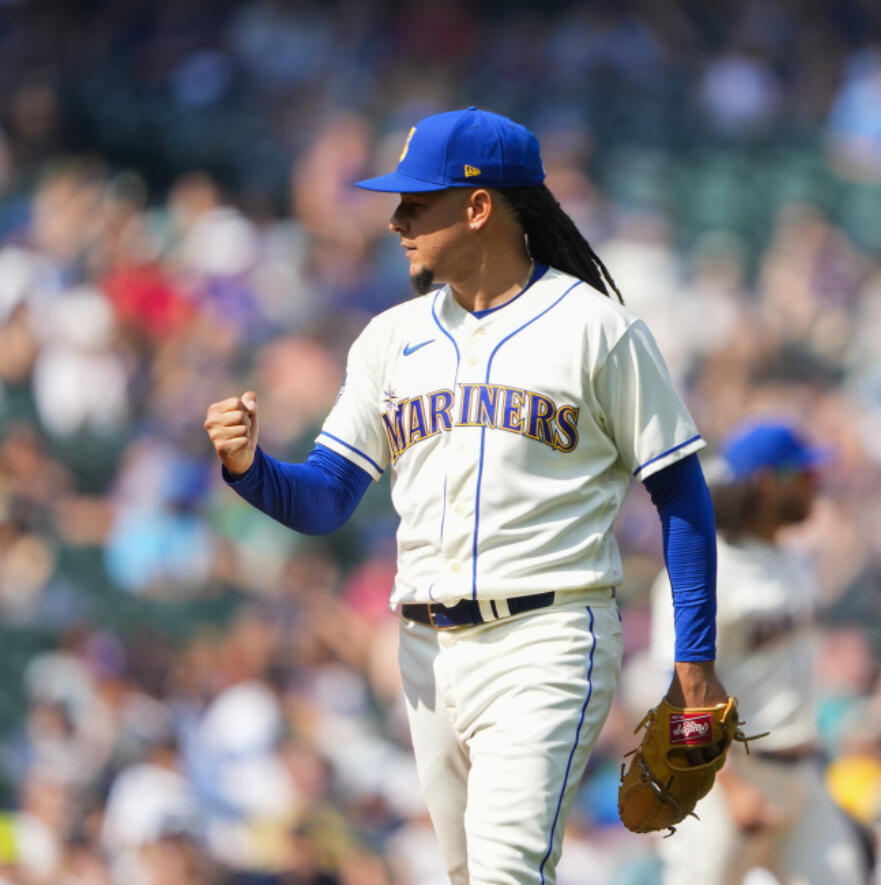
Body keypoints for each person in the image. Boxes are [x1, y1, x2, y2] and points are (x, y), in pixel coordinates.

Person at [203, 106, 728, 884]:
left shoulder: (596, 329)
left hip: (548, 633)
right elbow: (325, 500)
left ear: (479, 207)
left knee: (504, 872)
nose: (396, 220)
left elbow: (681, 492)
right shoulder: (389, 338)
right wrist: (250, 468)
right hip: (425, 652)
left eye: (417, 202)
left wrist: (695, 663)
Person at [650, 420, 870, 885]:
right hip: (720, 786)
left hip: (802, 777)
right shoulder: (706, 570)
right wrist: (727, 784)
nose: (817, 485)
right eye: (805, 475)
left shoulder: (790, 560)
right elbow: (678, 693)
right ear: (769, 482)